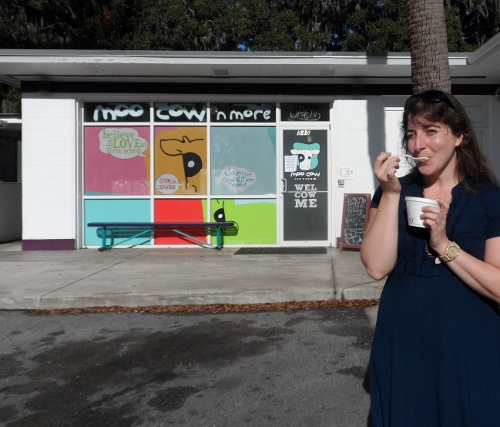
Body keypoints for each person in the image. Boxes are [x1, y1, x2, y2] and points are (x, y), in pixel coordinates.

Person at [360, 90, 500, 427]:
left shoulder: (489, 199)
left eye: (431, 131)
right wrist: (392, 194)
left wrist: (443, 245)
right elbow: (376, 267)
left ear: (459, 136)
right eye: (411, 134)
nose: (417, 145)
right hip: (403, 342)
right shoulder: (394, 190)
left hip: (470, 347)